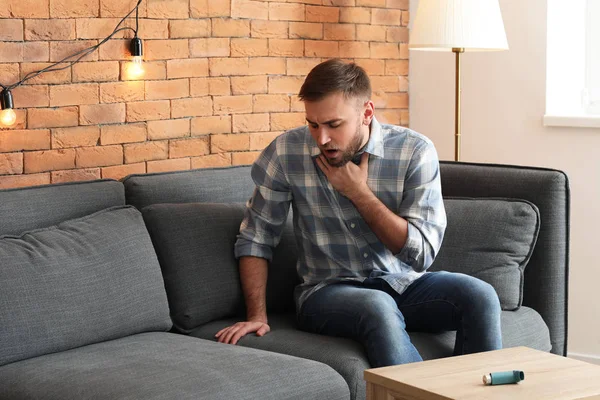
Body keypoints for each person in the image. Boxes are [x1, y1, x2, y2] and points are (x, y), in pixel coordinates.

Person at [215, 59, 502, 367]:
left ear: (366, 113)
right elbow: (256, 238)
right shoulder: (287, 152)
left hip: (402, 284)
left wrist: (358, 193)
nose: (321, 139)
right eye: (313, 124)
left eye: (333, 125)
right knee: (377, 305)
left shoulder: (414, 151)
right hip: (326, 293)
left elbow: (421, 255)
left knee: (479, 295)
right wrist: (257, 316)